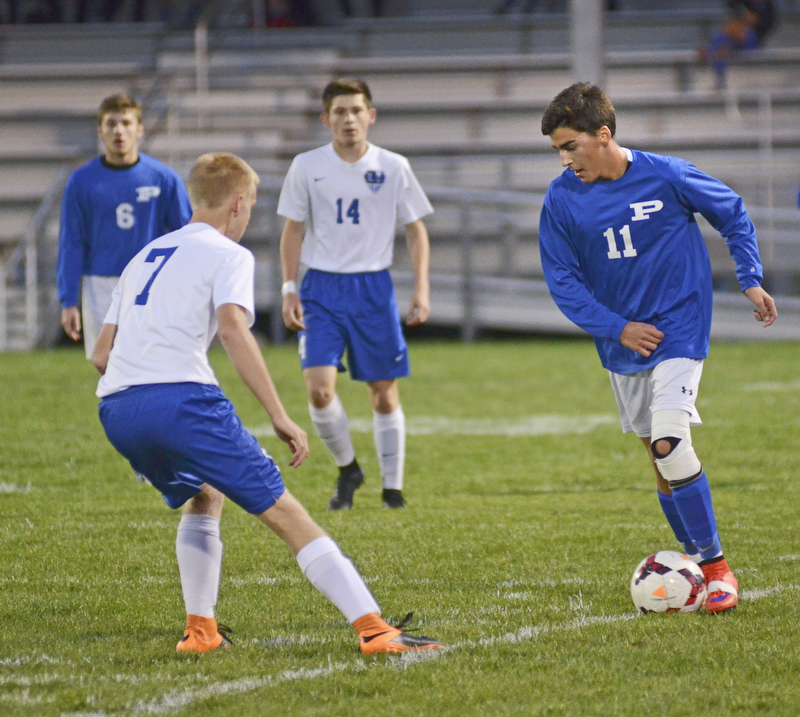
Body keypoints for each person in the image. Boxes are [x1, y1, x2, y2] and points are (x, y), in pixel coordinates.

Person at [91, 152, 443, 654]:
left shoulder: (144, 257)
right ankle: (374, 629)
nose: (250, 214)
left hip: (118, 409)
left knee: (205, 493)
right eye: (251, 205)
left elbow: (101, 353)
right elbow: (234, 330)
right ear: (238, 203)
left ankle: (201, 631)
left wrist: (147, 421)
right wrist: (279, 416)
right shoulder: (227, 254)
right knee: (286, 512)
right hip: (183, 403)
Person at [538, 82, 777, 614]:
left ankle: (717, 569)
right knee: (657, 459)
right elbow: (562, 280)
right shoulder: (561, 197)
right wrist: (616, 326)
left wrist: (750, 277)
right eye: (557, 149)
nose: (564, 158)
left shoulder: (665, 174)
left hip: (679, 329)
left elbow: (731, 211)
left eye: (570, 145)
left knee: (670, 442)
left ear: (603, 135)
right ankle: (693, 558)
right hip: (624, 343)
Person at [277, 78, 432, 511]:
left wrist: (421, 285)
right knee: (320, 390)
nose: (349, 119)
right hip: (322, 288)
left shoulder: (394, 166)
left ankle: (392, 489)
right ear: (326, 119)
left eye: (357, 110)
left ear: (371, 116)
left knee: (383, 392)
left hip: (373, 288)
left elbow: (415, 229)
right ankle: (348, 469)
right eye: (340, 112)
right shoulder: (306, 166)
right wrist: (290, 288)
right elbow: (293, 230)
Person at [57, 93, 192, 358]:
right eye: (111, 123)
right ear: (100, 131)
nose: (119, 131)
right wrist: (68, 301)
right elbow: (71, 242)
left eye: (126, 123)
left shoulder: (163, 178)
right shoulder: (81, 182)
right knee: (107, 364)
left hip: (150, 282)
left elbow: (186, 236)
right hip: (100, 284)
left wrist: (187, 286)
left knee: (152, 362)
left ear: (139, 129)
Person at [700, 0, 777, 89]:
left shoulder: (767, 6)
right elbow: (734, 8)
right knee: (725, 35)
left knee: (730, 38)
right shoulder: (743, 4)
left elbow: (763, 24)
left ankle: (710, 51)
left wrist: (746, 24)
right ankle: (714, 52)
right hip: (735, 36)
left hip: (753, 39)